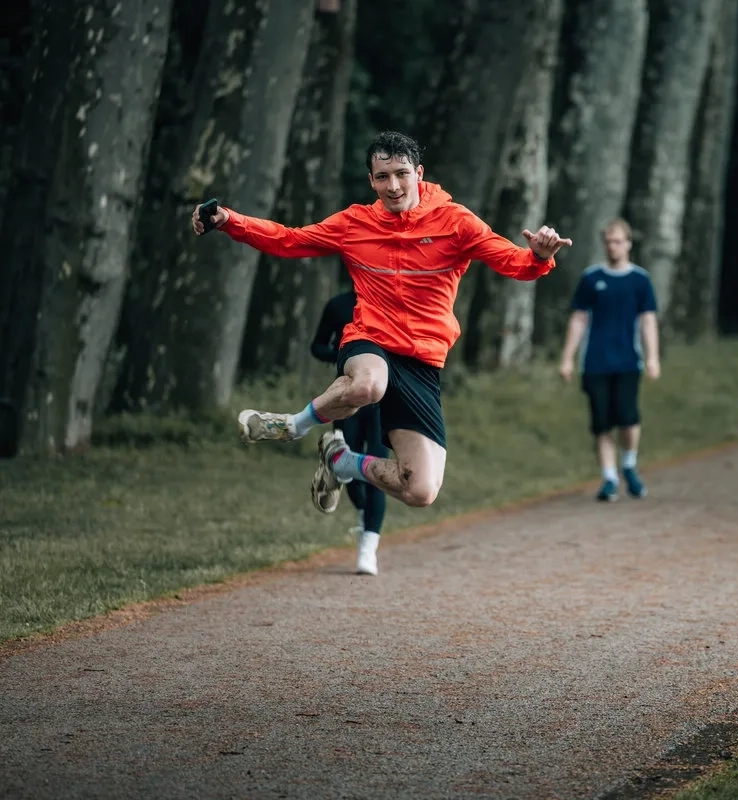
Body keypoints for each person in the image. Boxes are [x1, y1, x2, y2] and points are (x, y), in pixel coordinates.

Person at [191, 131, 572, 514]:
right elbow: (289, 240)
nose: (393, 186)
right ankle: (292, 426)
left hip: (421, 360)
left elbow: (514, 263)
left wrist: (538, 256)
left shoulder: (456, 222)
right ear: (371, 181)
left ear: (418, 173)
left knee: (421, 490)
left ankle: (341, 461)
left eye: (402, 174)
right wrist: (229, 220)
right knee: (369, 385)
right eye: (383, 177)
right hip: (370, 339)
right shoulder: (354, 223)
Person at [558, 220, 660, 501]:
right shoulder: (591, 278)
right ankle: (609, 477)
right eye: (609, 242)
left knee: (628, 418)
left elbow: (648, 320)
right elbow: (579, 319)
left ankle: (629, 464)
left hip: (628, 361)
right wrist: (567, 358)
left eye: (618, 241)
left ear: (628, 243)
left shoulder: (640, 280)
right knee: (601, 423)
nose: (613, 247)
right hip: (595, 362)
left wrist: (652, 357)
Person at [310, 288, 389, 575]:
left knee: (378, 467)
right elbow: (317, 346)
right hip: (347, 398)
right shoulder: (339, 305)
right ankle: (363, 513)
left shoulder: (392, 298)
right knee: (348, 468)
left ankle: (368, 549)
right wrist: (344, 354)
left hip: (385, 399)